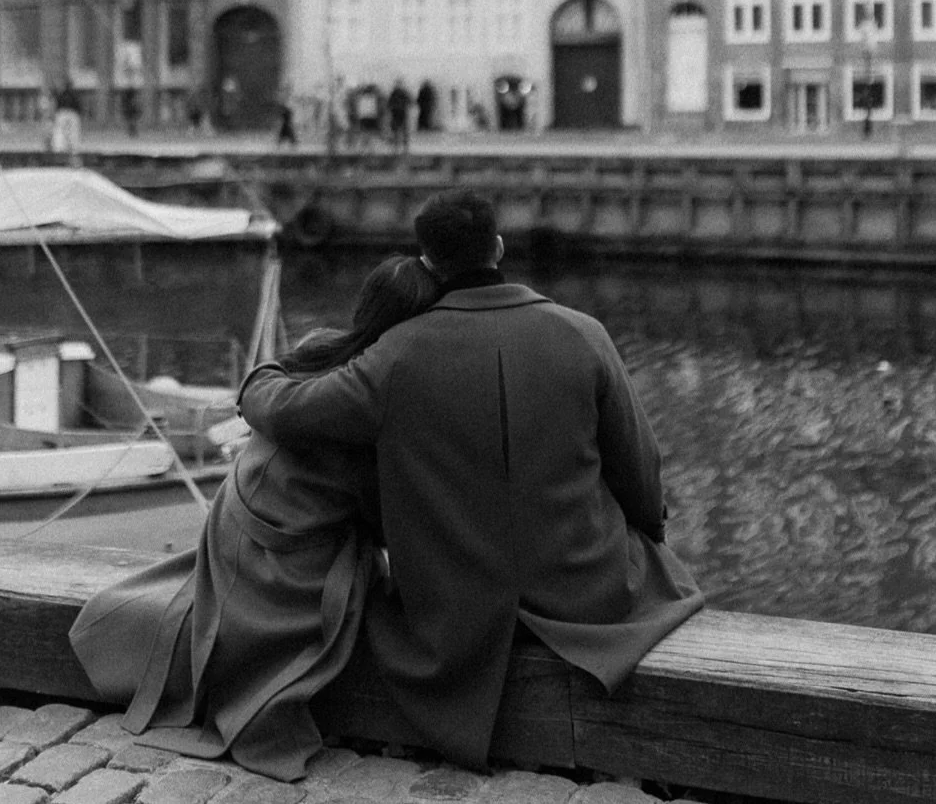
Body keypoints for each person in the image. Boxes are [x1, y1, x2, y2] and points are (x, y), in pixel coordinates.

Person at [239, 189, 703, 772]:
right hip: (588, 589)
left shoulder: (394, 356)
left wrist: (259, 378)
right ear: (499, 248)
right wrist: (650, 534)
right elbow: (639, 469)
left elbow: (287, 411)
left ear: (427, 262)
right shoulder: (584, 334)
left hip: (452, 614)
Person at [70, 254, 441, 783]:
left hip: (233, 534)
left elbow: (267, 392)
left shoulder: (319, 347)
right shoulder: (377, 393)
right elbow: (382, 516)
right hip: (293, 560)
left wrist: (256, 389)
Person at [51, 81, 82, 158]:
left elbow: (56, 107)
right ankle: (73, 150)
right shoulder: (75, 95)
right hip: (72, 115)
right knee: (73, 136)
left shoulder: (60, 95)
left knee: (60, 136)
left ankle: (60, 151)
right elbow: (79, 107)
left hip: (62, 114)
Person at [386, 78, 411, 152]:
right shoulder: (403, 93)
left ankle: (398, 146)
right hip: (400, 113)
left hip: (397, 113)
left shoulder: (394, 93)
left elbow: (389, 104)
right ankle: (403, 146)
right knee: (402, 130)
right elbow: (410, 101)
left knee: (398, 130)